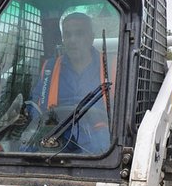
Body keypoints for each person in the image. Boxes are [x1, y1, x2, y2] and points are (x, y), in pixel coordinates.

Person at [31, 11, 112, 153]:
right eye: (68, 35)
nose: (72, 40)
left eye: (79, 33)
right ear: (63, 39)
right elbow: (36, 108)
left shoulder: (111, 67)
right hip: (56, 134)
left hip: (99, 136)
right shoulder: (49, 68)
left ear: (91, 38)